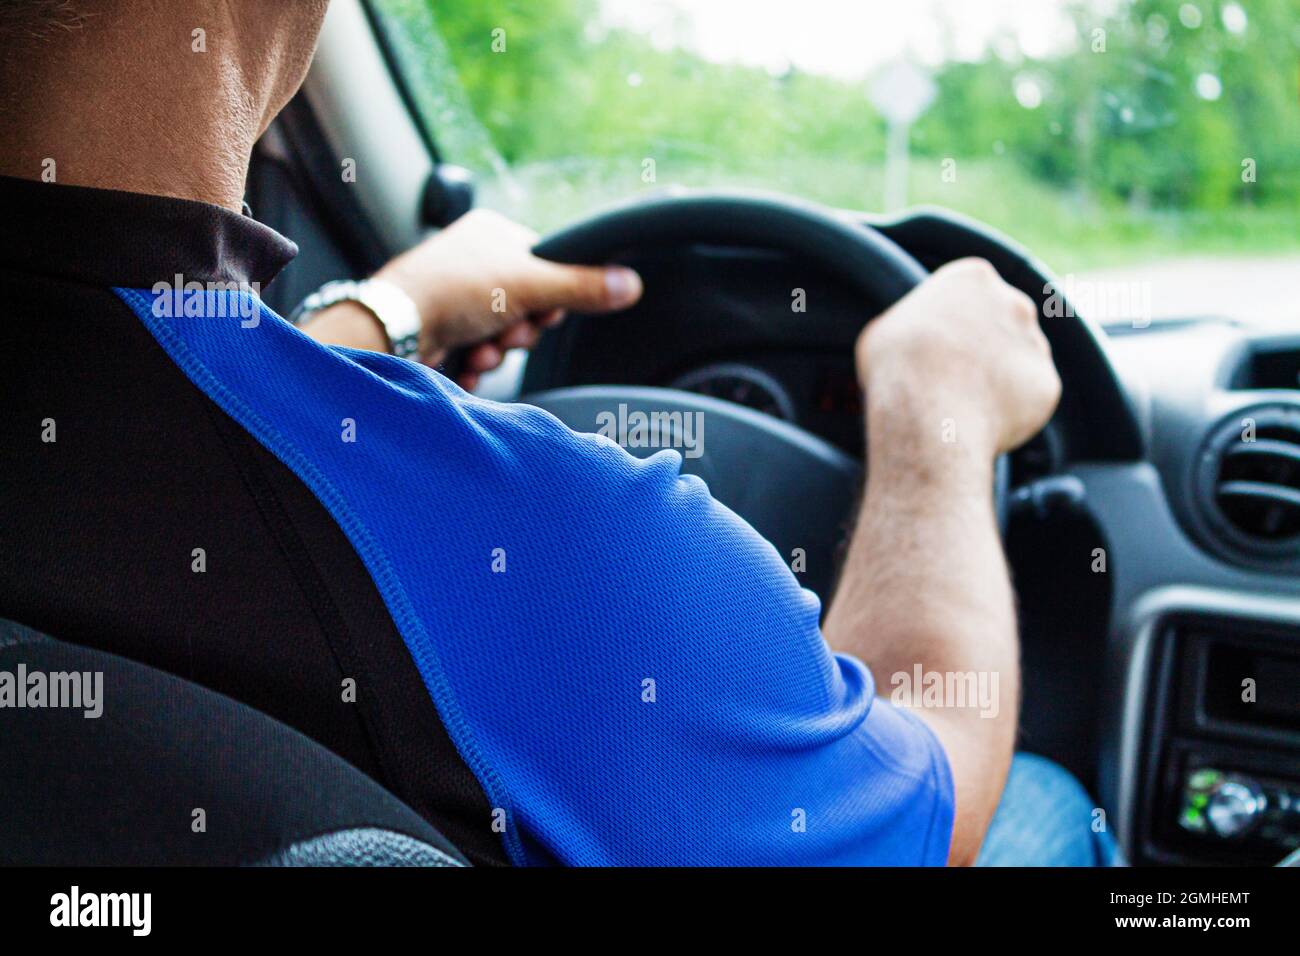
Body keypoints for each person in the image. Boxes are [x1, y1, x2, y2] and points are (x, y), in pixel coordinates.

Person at [0, 0, 1113, 865]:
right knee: (1040, 799)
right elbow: (925, 803)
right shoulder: (568, 554)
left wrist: (381, 317)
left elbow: (150, 419)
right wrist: (938, 425)